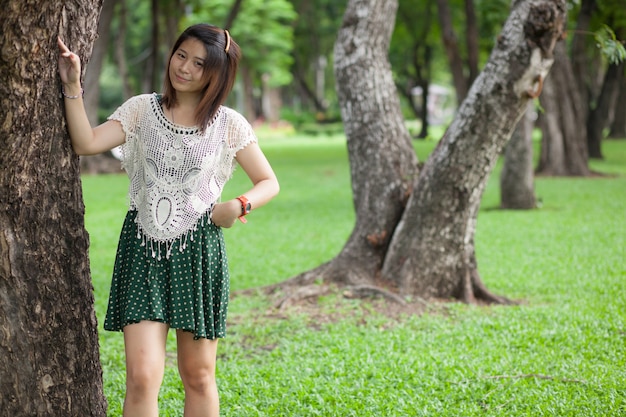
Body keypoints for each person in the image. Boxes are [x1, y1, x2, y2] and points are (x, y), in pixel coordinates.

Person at [58, 24, 279, 417]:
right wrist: (73, 84)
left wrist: (238, 205)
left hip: (197, 255)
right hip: (142, 251)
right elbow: (86, 143)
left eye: (199, 64)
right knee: (142, 377)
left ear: (217, 74)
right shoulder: (142, 109)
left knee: (198, 376)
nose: (185, 68)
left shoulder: (229, 124)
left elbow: (268, 182)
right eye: (181, 55)